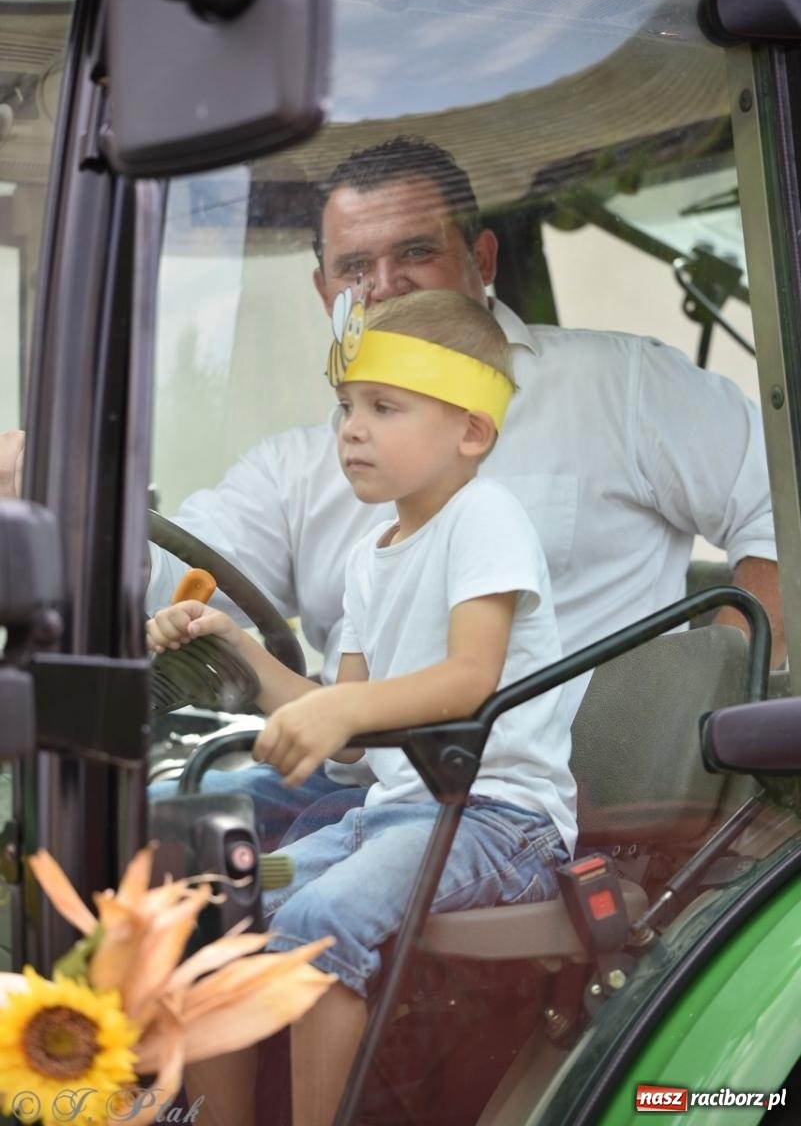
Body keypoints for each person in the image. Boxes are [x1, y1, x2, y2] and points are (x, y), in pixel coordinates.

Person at [1, 137, 784, 844]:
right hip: (364, 785)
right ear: (324, 291)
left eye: (415, 251)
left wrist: (701, 720)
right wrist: (70, 514)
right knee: (126, 836)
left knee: (285, 906)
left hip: (542, 810)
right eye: (354, 267)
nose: (383, 285)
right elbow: (179, 578)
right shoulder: (298, 469)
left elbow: (780, 508)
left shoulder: (617, 385)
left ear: (481, 258)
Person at [147, 289, 575, 1126]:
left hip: (492, 820)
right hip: (390, 813)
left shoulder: (484, 517)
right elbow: (344, 734)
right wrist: (234, 647)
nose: (350, 429)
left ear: (471, 432)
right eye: (345, 407)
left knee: (318, 918)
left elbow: (470, 677)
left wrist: (343, 713)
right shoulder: (368, 556)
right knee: (213, 902)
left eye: (383, 407)